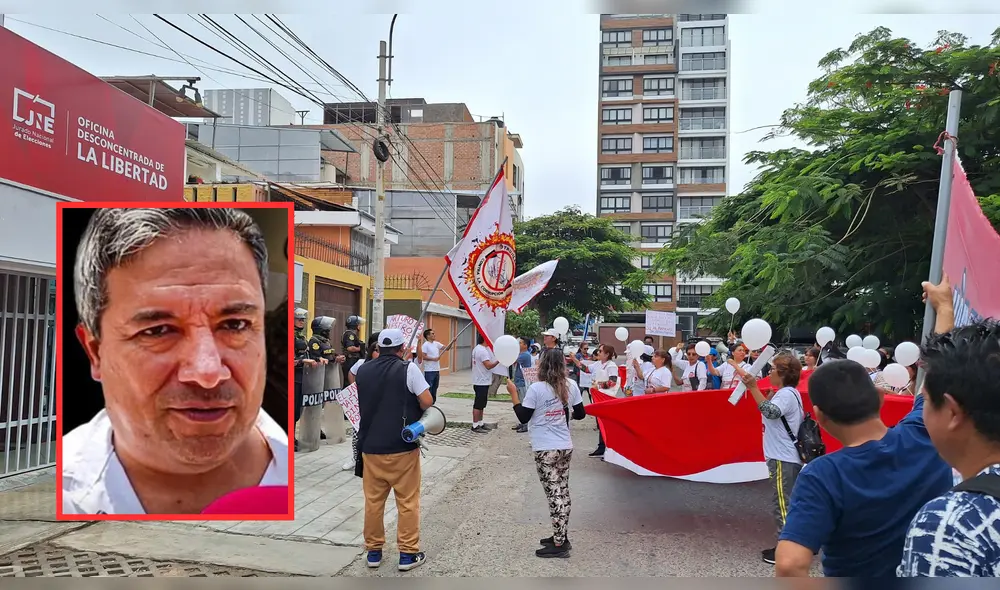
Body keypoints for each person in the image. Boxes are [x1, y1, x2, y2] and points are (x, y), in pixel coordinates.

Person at [62, 208, 287, 515]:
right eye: (157, 331)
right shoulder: (64, 494)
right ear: (95, 351)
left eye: (234, 325)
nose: (207, 372)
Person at [773, 281, 954, 577]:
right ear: (881, 398)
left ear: (818, 416)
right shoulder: (924, 434)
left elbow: (790, 564)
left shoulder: (822, 476)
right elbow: (939, 372)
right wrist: (944, 308)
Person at [897, 276, 1000, 577]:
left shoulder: (951, 524)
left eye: (926, 400)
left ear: (952, 412)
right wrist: (944, 310)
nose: (921, 408)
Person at [354, 328, 434, 572]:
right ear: (402, 349)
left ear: (379, 347)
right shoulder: (407, 368)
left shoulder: (363, 369)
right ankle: (408, 554)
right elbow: (428, 400)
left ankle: (374, 552)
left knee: (373, 502)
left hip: (370, 447)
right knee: (408, 501)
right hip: (402, 446)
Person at [506, 348, 587, 558]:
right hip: (564, 446)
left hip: (545, 448)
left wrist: (514, 395)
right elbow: (580, 413)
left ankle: (559, 545)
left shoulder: (537, 389)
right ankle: (561, 535)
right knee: (563, 491)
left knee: (554, 495)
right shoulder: (572, 385)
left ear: (542, 365)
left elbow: (523, 417)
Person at [735, 354, 805, 565]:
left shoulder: (786, 394)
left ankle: (787, 551)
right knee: (789, 502)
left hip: (783, 458)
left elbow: (771, 412)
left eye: (773, 369)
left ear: (782, 374)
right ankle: (797, 545)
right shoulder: (788, 393)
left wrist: (753, 388)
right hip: (785, 456)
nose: (769, 373)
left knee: (783, 504)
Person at [343, 332, 382, 472]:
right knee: (357, 433)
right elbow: (351, 374)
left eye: (380, 350)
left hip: (379, 406)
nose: (378, 353)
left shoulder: (387, 366)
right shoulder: (361, 364)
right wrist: (355, 390)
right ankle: (355, 458)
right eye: (375, 350)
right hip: (361, 405)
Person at [308, 315, 344, 441]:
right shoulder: (314, 341)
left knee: (323, 403)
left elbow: (329, 354)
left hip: (328, 376)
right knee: (315, 405)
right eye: (327, 329)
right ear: (320, 329)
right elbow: (316, 356)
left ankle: (319, 430)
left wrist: (337, 357)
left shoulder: (325, 341)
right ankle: (314, 430)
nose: (329, 331)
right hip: (317, 377)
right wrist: (333, 359)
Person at [583, 344, 618, 458]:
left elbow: (613, 381)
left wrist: (599, 386)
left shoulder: (611, 366)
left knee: (605, 423)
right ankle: (602, 447)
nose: (598, 352)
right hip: (598, 396)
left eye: (601, 351)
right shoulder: (598, 364)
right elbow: (587, 369)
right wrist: (574, 360)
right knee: (600, 422)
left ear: (607, 354)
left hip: (606, 397)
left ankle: (608, 448)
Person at [293, 307, 317, 453]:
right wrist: (303, 362)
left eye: (303, 319)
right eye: (298, 319)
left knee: (297, 410)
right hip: (292, 378)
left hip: (302, 377)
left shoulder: (301, 337)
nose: (301, 321)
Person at [471, 333, 499, 433]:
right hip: (481, 381)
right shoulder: (482, 351)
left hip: (481, 380)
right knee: (478, 404)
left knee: (482, 404)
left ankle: (480, 423)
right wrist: (498, 361)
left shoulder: (478, 348)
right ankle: (475, 425)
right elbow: (488, 365)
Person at [510, 337, 534, 433]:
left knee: (524, 403)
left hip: (523, 382)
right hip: (519, 381)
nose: (518, 345)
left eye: (520, 343)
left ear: (525, 345)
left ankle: (526, 424)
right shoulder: (522, 354)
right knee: (520, 401)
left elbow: (512, 360)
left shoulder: (525, 355)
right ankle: (523, 422)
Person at [419, 328, 444, 402]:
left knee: (435, 388)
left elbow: (446, 348)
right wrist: (434, 359)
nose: (434, 335)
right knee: (429, 388)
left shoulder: (436, 344)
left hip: (436, 370)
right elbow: (424, 356)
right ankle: (427, 403)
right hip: (429, 371)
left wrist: (453, 341)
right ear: (428, 336)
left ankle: (433, 402)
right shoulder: (425, 345)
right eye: (432, 334)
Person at [342, 315, 365, 383]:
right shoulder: (350, 334)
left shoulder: (351, 334)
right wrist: (360, 348)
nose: (359, 326)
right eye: (358, 324)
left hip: (352, 360)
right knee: (349, 382)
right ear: (355, 325)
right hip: (351, 360)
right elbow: (350, 348)